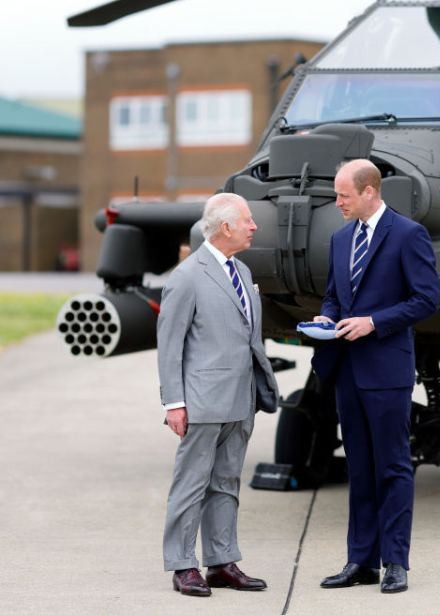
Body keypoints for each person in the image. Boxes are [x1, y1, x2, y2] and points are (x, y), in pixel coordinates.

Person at [311, 159, 440, 594]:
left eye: (344, 195)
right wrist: (326, 318)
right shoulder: (340, 238)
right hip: (348, 369)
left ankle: (396, 562)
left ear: (370, 192)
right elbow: (333, 296)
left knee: (393, 467)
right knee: (360, 468)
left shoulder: (408, 235)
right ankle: (361, 560)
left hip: (386, 370)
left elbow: (426, 300)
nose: (338, 202)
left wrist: (373, 322)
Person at [157, 192, 279, 597]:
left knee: (226, 483)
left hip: (240, 401)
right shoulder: (187, 276)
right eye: (248, 220)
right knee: (191, 484)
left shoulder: (241, 272)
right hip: (202, 402)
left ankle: (222, 562)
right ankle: (182, 565)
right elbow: (170, 346)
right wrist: (174, 403)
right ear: (226, 227)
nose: (254, 226)